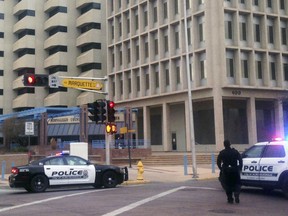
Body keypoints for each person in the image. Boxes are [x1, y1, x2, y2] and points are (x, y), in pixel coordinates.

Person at [217, 139, 243, 204]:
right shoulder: (235, 152)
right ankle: (236, 193)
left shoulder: (222, 153)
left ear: (224, 145)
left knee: (227, 185)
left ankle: (230, 198)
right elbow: (240, 160)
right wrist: (239, 168)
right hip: (234, 169)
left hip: (226, 171)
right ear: (230, 144)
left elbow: (218, 162)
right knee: (237, 183)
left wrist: (221, 169)